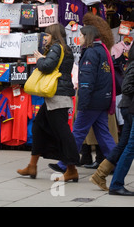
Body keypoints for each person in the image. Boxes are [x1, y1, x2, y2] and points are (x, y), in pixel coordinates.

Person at [17, 24, 80, 182]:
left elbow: (46, 67)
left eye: (47, 35)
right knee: (39, 126)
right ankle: (32, 165)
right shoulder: (65, 48)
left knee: (62, 132)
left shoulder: (56, 48)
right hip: (57, 94)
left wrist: (40, 60)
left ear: (54, 35)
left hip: (57, 95)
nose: (44, 38)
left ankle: (71, 169)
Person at [51, 25, 116, 175]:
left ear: (88, 37)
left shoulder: (90, 53)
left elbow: (87, 81)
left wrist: (83, 103)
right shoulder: (101, 50)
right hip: (102, 99)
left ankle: (64, 163)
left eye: (80, 35)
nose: (78, 38)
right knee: (103, 133)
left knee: (78, 131)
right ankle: (116, 160)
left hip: (92, 101)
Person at [90, 45, 134, 195]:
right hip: (129, 108)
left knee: (124, 145)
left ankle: (100, 174)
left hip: (128, 108)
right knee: (129, 147)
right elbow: (127, 87)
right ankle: (115, 183)